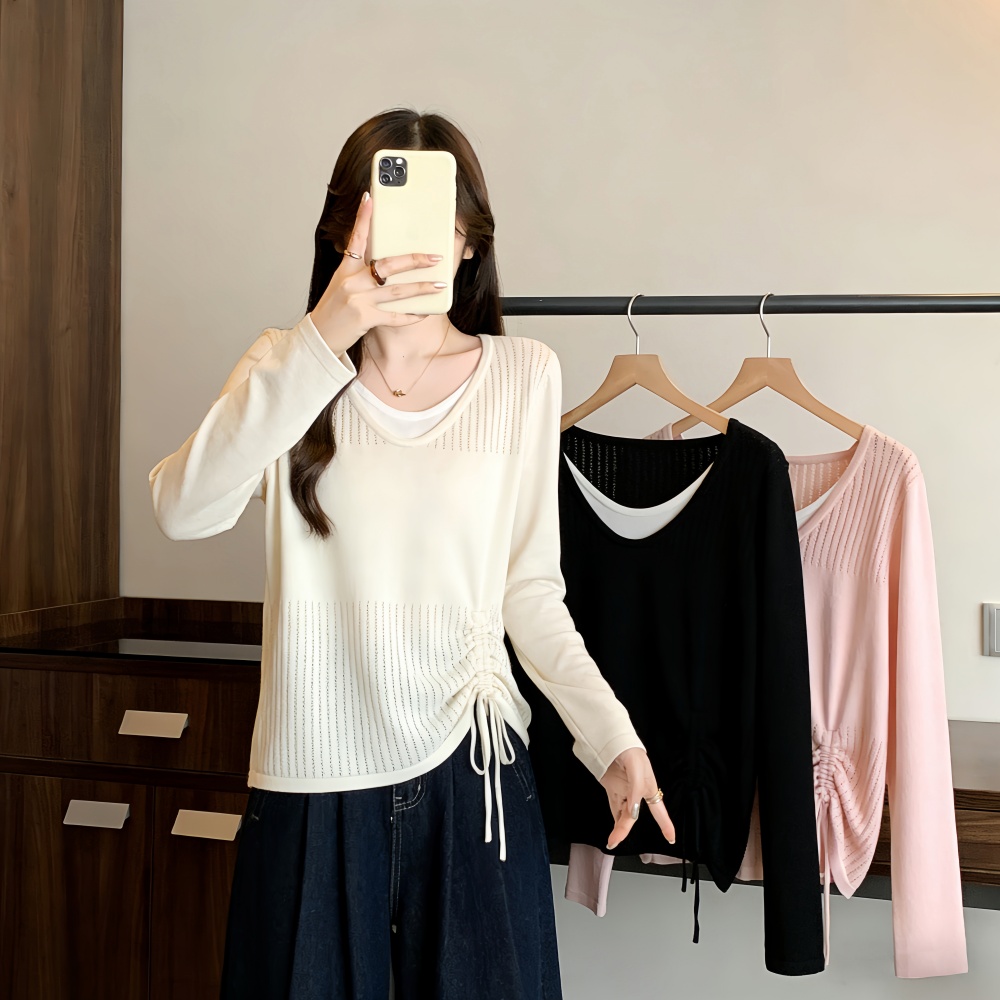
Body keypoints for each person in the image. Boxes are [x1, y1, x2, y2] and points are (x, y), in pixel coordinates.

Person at [148, 107, 675, 1000]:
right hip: (312, 771)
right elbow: (181, 510)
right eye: (389, 223)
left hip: (474, 767)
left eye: (441, 225)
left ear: (469, 243)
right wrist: (322, 339)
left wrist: (610, 737)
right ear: (345, 235)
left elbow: (529, 593)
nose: (417, 249)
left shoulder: (523, 375)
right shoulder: (286, 367)